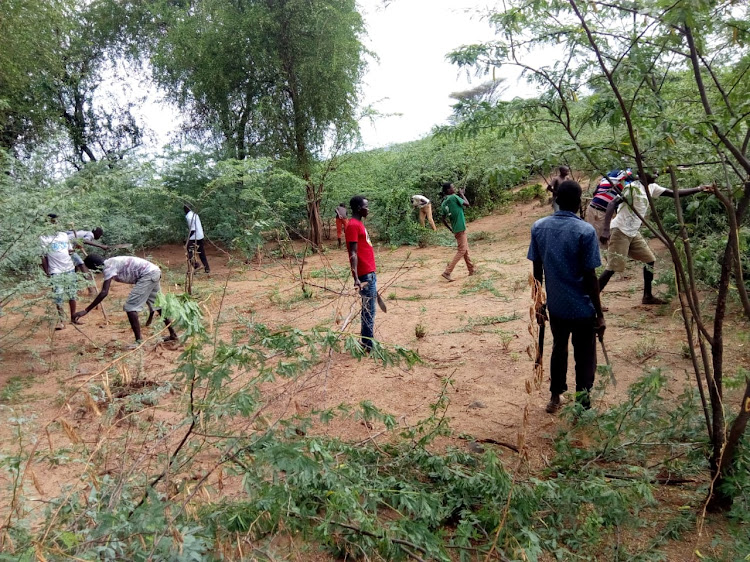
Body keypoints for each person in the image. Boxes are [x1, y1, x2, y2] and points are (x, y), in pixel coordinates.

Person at [527, 180, 606, 413]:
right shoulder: (585, 231)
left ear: (557, 200)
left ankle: (554, 397)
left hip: (557, 305)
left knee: (558, 348)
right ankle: (583, 401)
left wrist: (539, 303)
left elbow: (537, 271)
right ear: (580, 202)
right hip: (582, 307)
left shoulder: (539, 227)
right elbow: (590, 276)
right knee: (584, 354)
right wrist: (600, 314)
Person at [598, 171, 711, 305]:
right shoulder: (632, 188)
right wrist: (605, 230)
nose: (656, 174)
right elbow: (612, 204)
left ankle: (647, 296)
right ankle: (590, 299)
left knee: (649, 260)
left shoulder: (652, 187)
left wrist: (699, 189)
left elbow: (673, 193)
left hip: (633, 232)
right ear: (642, 174)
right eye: (652, 172)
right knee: (612, 268)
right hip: (620, 230)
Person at [73, 255, 178, 346]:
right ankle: (173, 334)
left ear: (95, 266)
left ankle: (138, 341)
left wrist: (86, 310)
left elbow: (104, 292)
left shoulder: (108, 267)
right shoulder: (111, 262)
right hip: (153, 271)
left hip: (148, 274)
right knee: (157, 305)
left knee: (130, 308)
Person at [345, 196, 377, 352]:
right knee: (368, 311)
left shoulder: (358, 224)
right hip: (365, 275)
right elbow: (353, 252)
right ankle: (368, 345)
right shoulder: (352, 225)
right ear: (358, 208)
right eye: (366, 206)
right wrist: (356, 277)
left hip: (369, 272)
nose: (368, 209)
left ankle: (367, 343)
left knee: (370, 309)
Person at [40, 214, 79, 330]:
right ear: (47, 224)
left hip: (69, 268)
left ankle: (73, 317)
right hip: (55, 270)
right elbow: (43, 256)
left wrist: (77, 245)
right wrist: (47, 272)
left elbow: (70, 251)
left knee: (72, 294)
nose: (55, 224)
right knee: (58, 296)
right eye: (52, 222)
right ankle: (61, 321)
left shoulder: (64, 235)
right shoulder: (44, 238)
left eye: (56, 222)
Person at [585, 170, 633, 246]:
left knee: (597, 239)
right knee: (593, 237)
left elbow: (595, 192)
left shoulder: (613, 179)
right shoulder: (614, 177)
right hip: (595, 209)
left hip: (599, 209)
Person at [440, 182, 474, 281]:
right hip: (460, 227)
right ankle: (447, 272)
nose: (454, 188)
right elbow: (467, 204)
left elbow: (443, 219)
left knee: (465, 249)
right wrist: (462, 194)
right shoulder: (454, 197)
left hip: (456, 229)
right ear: (448, 190)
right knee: (462, 250)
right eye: (452, 187)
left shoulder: (444, 203)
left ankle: (471, 269)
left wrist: (450, 228)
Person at [67, 227, 108, 295]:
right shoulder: (90, 234)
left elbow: (69, 234)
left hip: (65, 248)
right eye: (100, 235)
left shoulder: (82, 232)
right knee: (82, 265)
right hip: (67, 249)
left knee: (75, 267)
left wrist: (77, 244)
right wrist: (101, 246)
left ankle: (75, 289)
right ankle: (92, 290)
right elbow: (85, 241)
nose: (99, 237)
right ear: (97, 233)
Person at [183, 205, 210, 273]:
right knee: (201, 253)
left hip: (195, 236)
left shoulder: (189, 217)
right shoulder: (194, 214)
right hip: (200, 235)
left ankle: (196, 266)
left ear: (185, 210)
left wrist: (187, 239)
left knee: (189, 251)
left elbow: (193, 230)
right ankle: (207, 268)